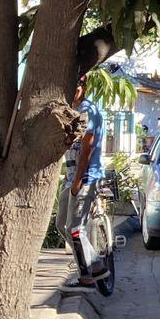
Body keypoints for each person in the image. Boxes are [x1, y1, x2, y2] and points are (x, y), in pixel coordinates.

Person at [55, 77, 107, 286]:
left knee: (75, 228)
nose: (74, 90)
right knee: (61, 225)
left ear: (83, 88)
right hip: (70, 177)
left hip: (85, 177)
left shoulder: (87, 110)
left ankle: (87, 276)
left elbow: (87, 147)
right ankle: (95, 263)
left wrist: (78, 180)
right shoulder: (68, 110)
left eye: (78, 86)